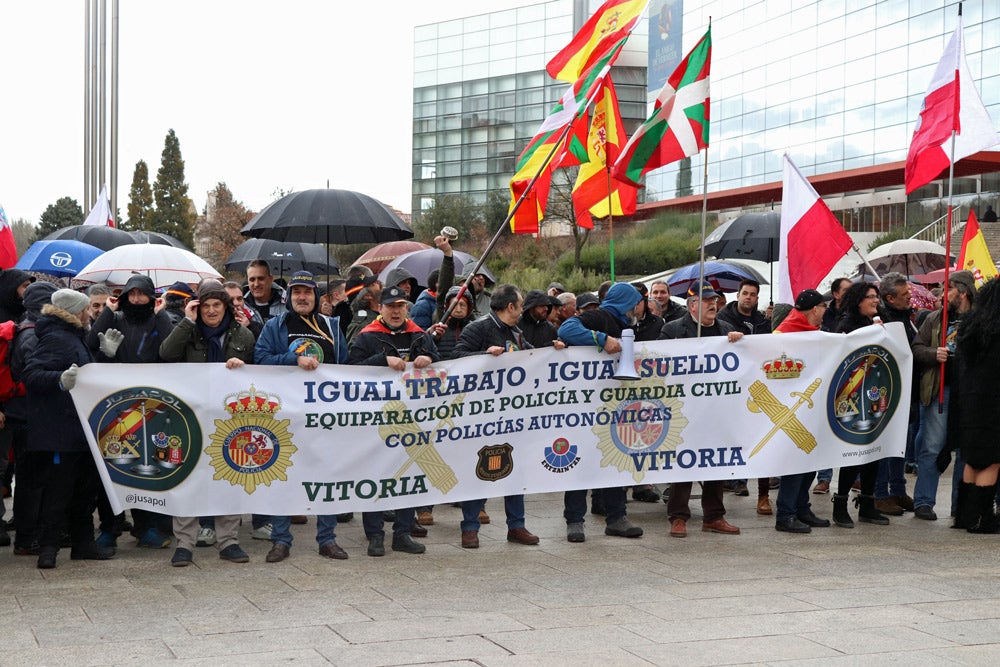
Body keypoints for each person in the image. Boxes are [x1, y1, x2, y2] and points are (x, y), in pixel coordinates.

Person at [255, 271, 350, 562]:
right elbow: (260, 360)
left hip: (324, 415)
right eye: (296, 292)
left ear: (316, 296)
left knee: (327, 476)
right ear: (289, 297)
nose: (301, 297)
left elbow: (346, 366)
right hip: (286, 414)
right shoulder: (275, 326)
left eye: (307, 292)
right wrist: (292, 359)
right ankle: (281, 540)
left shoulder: (332, 327)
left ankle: (327, 539)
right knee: (282, 476)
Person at [159, 282, 255, 566]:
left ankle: (229, 541)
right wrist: (187, 322)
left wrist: (243, 366)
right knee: (188, 477)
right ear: (197, 307)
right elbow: (166, 354)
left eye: (217, 305)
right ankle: (185, 543)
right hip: (191, 416)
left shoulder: (244, 335)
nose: (211, 311)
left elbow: (258, 374)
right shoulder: (188, 331)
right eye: (206, 306)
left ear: (226, 307)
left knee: (230, 474)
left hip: (229, 418)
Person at [22, 289, 114, 569]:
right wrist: (59, 380)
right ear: (75, 312)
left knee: (85, 490)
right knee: (59, 491)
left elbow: (82, 373)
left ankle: (83, 544)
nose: (89, 314)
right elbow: (31, 374)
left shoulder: (73, 335)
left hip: (79, 427)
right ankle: (48, 548)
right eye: (86, 309)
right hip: (62, 430)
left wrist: (102, 355)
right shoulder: (55, 337)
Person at [87, 274, 176, 548]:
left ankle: (145, 526)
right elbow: (91, 344)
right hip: (114, 404)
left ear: (151, 297)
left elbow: (171, 348)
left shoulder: (156, 319)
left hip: (150, 405)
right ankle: (109, 528)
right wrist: (109, 315)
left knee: (144, 467)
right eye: (132, 294)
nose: (137, 299)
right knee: (113, 466)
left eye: (142, 294)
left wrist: (160, 313)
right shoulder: (115, 318)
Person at [349, 285, 438, 557]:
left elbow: (444, 366)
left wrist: (430, 357)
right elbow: (349, 369)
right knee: (375, 475)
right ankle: (375, 534)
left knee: (407, 474)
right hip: (376, 418)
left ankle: (402, 533)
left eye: (401, 306)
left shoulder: (420, 335)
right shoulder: (366, 337)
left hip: (412, 418)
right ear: (380, 308)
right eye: (391, 306)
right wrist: (381, 360)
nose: (396, 311)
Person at [452, 284, 541, 548]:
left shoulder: (517, 332)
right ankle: (470, 527)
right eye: (521, 304)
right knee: (478, 469)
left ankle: (517, 525)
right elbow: (457, 357)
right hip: (482, 415)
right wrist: (484, 356)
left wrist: (555, 350)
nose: (523, 309)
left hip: (511, 414)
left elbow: (534, 355)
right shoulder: (477, 328)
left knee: (515, 469)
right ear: (510, 306)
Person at [558, 282, 646, 543]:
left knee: (614, 459)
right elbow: (567, 328)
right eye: (636, 302)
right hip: (584, 406)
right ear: (626, 302)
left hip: (613, 405)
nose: (639, 307)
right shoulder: (598, 317)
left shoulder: (626, 325)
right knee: (580, 462)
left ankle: (616, 517)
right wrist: (601, 338)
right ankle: (575, 521)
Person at [659, 281, 744, 538]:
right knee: (685, 462)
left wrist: (739, 342)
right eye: (707, 300)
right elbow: (660, 366)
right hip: (685, 410)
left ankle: (714, 516)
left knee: (716, 462)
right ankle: (678, 516)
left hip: (716, 410)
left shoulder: (726, 329)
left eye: (715, 300)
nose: (712, 304)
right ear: (692, 304)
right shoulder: (672, 330)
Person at [911, 270, 975, 523]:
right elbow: (917, 348)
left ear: (963, 292)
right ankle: (924, 501)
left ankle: (960, 504)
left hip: (969, 393)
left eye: (948, 289)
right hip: (941, 389)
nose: (943, 294)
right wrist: (931, 354)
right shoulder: (935, 319)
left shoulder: (981, 319)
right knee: (931, 446)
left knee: (964, 449)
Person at [829, 281, 891, 528]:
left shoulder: (880, 322)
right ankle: (840, 504)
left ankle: (867, 504)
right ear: (858, 301)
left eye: (877, 297)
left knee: (874, 452)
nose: (875, 301)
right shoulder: (847, 326)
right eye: (870, 297)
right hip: (853, 396)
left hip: (875, 393)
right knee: (853, 452)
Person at [771, 289, 833, 533]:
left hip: (811, 404)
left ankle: (801, 508)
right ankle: (785, 514)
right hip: (791, 406)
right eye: (824, 307)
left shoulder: (813, 333)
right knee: (795, 462)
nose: (825, 312)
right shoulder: (783, 334)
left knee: (810, 459)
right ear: (814, 309)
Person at [5, 281, 59, 554]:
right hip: (29, 415)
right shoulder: (33, 334)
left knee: (33, 477)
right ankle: (27, 538)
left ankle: (31, 533)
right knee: (32, 479)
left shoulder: (28, 328)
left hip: (26, 414)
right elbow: (34, 375)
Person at [715, 278, 774, 511]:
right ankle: (732, 482)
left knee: (762, 436)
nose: (748, 297)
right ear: (737, 295)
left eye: (752, 294)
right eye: (745, 293)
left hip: (758, 383)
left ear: (757, 298)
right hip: (732, 386)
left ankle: (763, 495)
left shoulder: (762, 321)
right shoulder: (723, 320)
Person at [953, 277, 1000, 531]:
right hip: (993, 403)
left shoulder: (971, 325)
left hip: (970, 402)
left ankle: (964, 515)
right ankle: (983, 517)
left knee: (972, 460)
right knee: (992, 460)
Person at [873, 273, 917, 517]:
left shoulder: (906, 317)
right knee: (885, 442)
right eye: (904, 294)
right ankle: (881, 494)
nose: (910, 296)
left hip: (906, 387)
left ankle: (898, 489)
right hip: (886, 389)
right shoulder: (881, 320)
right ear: (889, 298)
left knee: (900, 441)